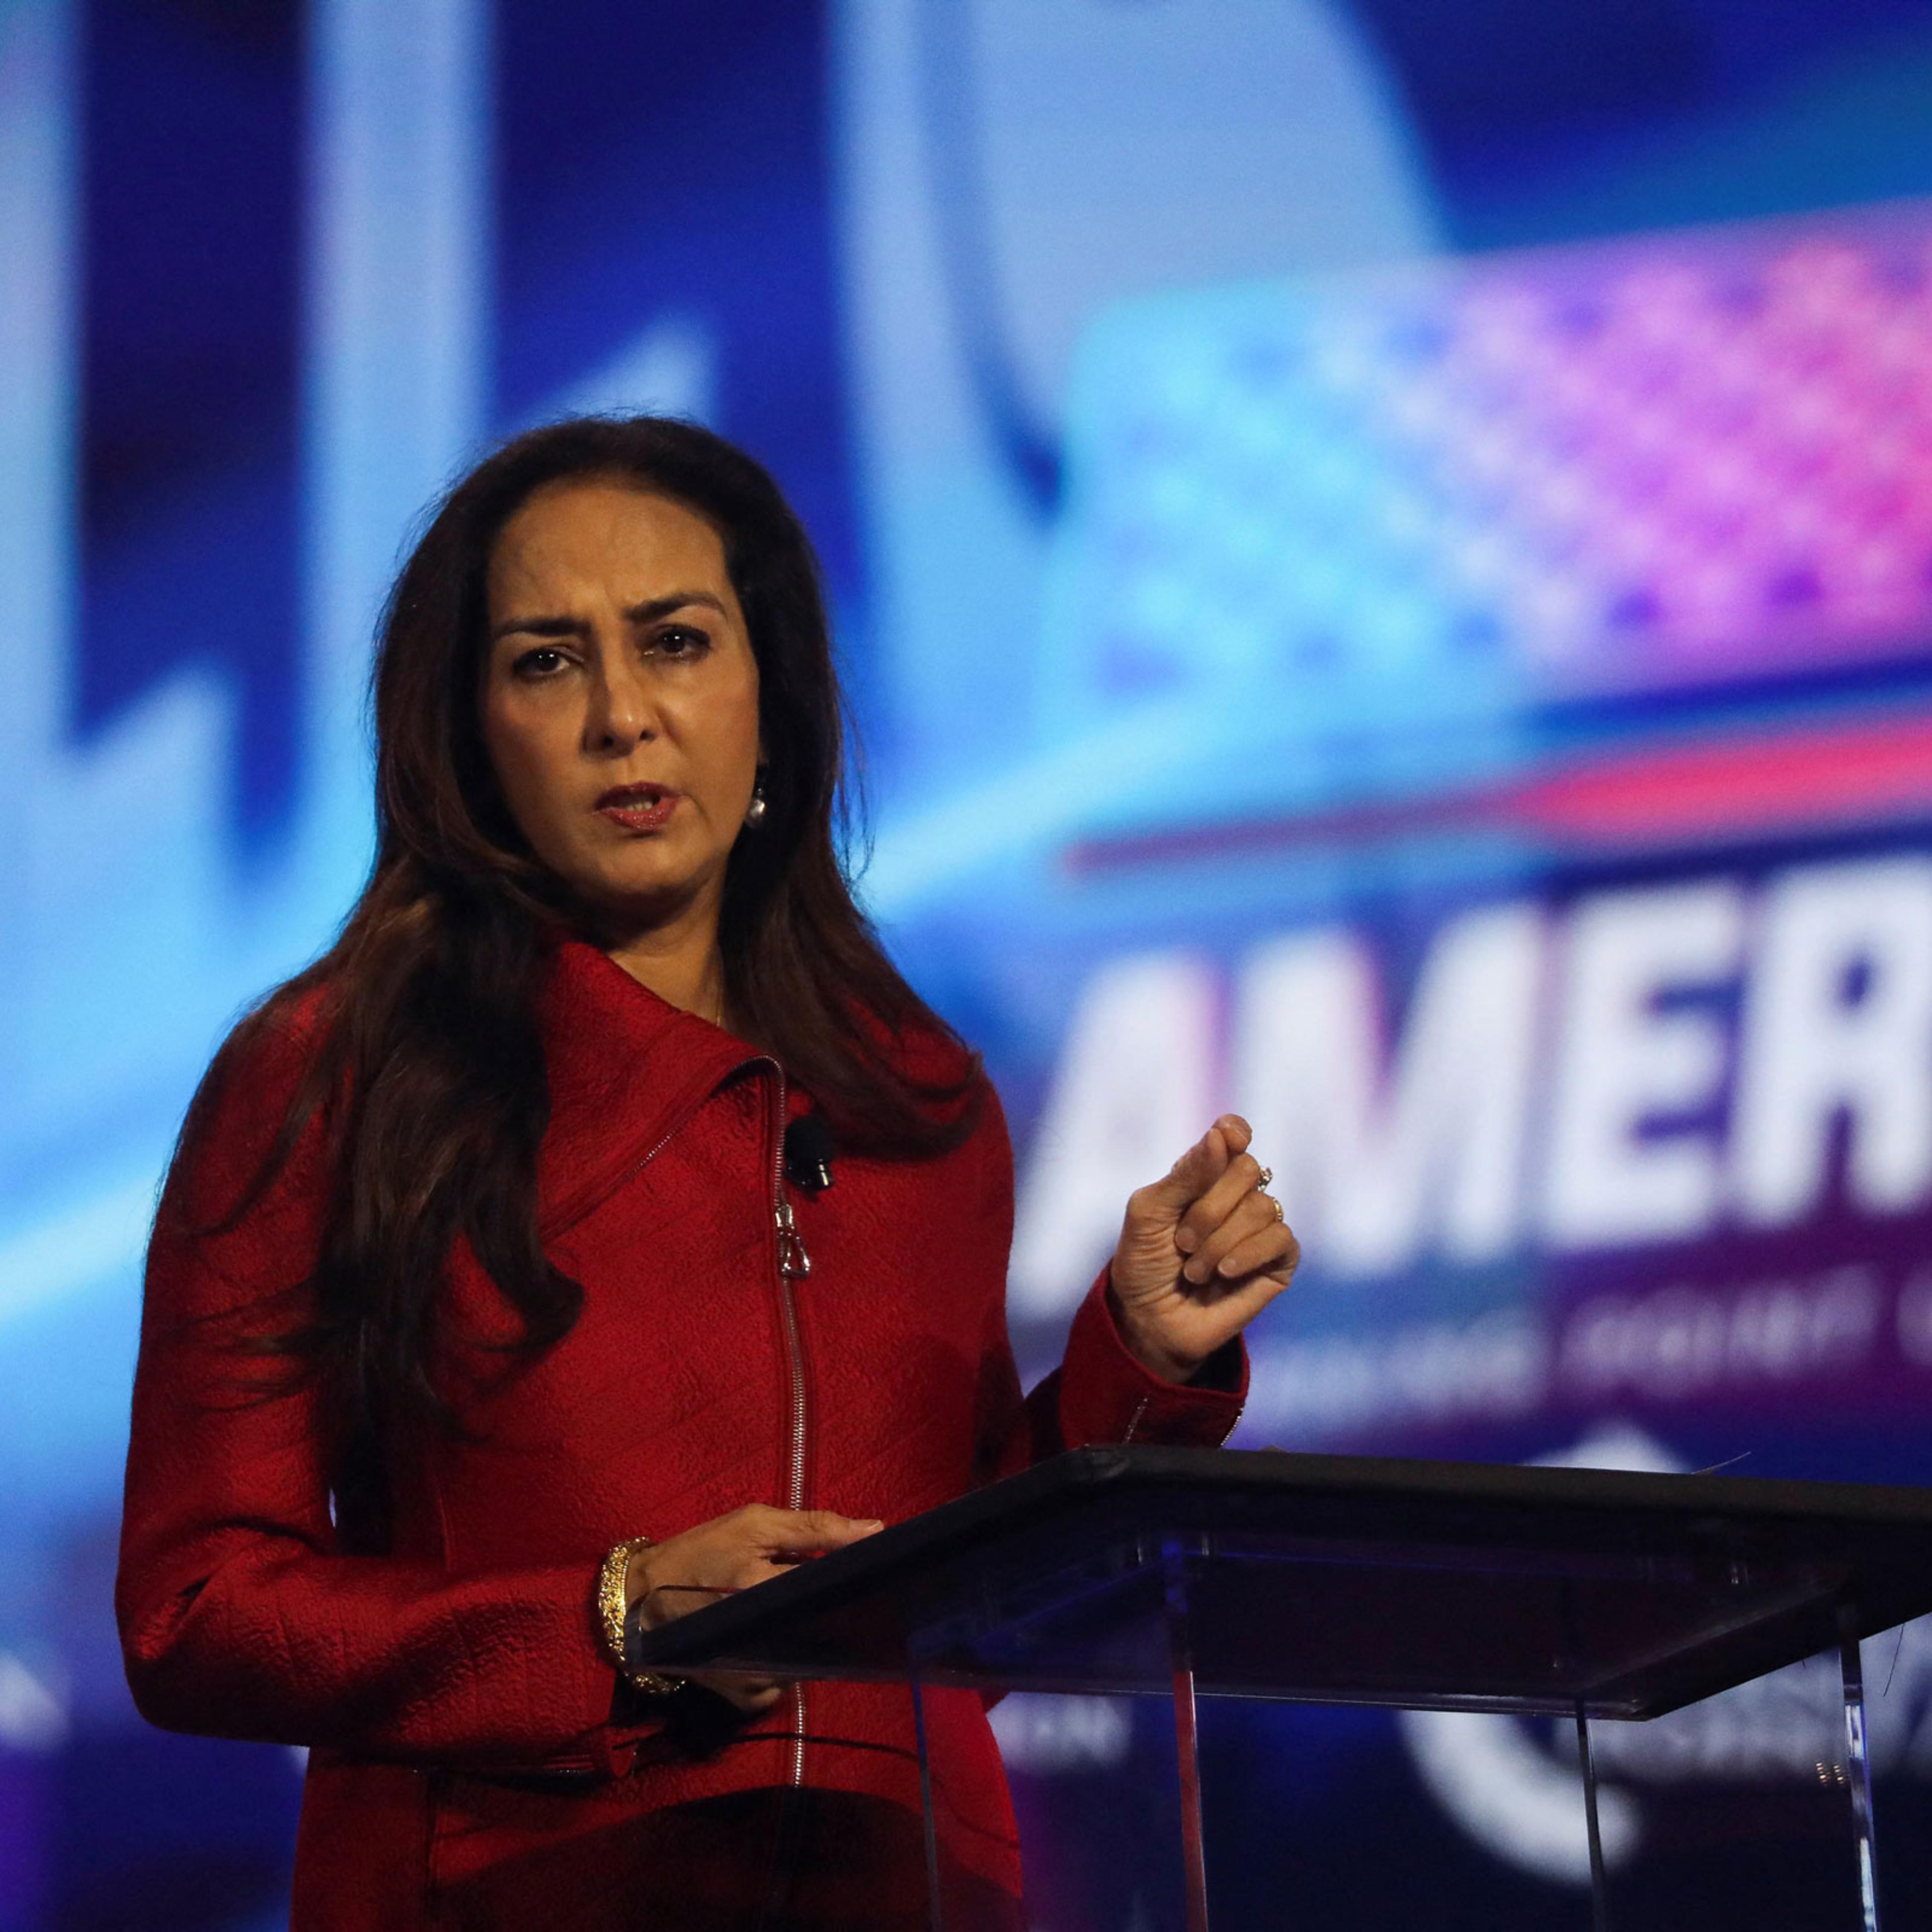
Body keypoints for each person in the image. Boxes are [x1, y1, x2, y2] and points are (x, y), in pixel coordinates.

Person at [115, 417, 1298, 1930]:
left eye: (674, 641)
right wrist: (608, 1623)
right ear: (469, 728)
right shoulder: (335, 1076)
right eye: (548, 660)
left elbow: (957, 1615)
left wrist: (1141, 1369)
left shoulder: (922, 1101)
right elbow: (195, 1608)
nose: (623, 715)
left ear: (770, 694)